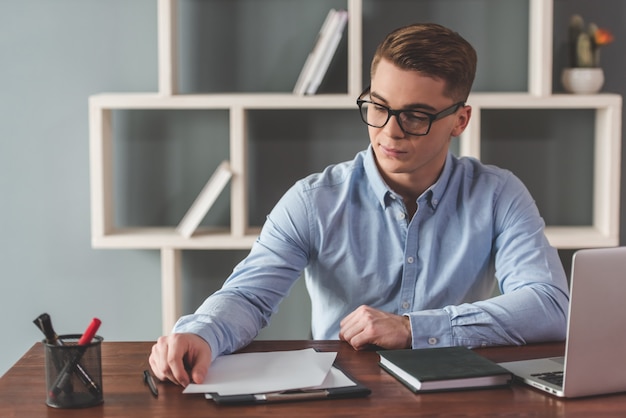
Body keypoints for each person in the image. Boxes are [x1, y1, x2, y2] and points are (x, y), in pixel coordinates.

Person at [149, 22, 570, 387]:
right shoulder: (313, 201)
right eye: (379, 107)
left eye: (416, 116)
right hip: (343, 393)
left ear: (460, 120)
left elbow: (550, 306)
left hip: (459, 392)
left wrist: (414, 329)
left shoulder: (498, 194)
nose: (390, 132)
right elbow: (249, 296)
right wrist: (201, 334)